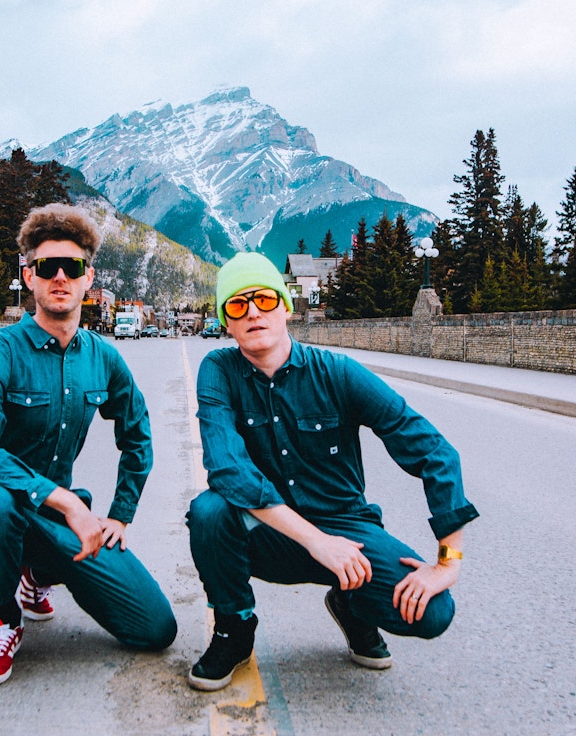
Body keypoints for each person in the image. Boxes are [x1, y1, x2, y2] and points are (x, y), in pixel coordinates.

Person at [186, 252, 478, 691]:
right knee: (209, 512)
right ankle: (234, 629)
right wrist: (317, 543)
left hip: (348, 532)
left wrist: (447, 562)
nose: (252, 313)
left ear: (285, 306)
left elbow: (434, 451)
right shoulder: (219, 371)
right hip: (272, 533)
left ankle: (352, 604)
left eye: (264, 299)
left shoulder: (338, 373)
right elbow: (228, 470)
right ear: (226, 321)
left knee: (434, 613)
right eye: (236, 305)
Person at [0, 203, 176, 686]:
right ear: (29, 276)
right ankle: (5, 617)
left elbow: (138, 435)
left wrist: (120, 515)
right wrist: (68, 501)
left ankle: (35, 575)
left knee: (155, 628)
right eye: (48, 267)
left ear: (89, 278)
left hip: (52, 520)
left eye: (72, 268)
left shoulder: (104, 359)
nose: (60, 278)